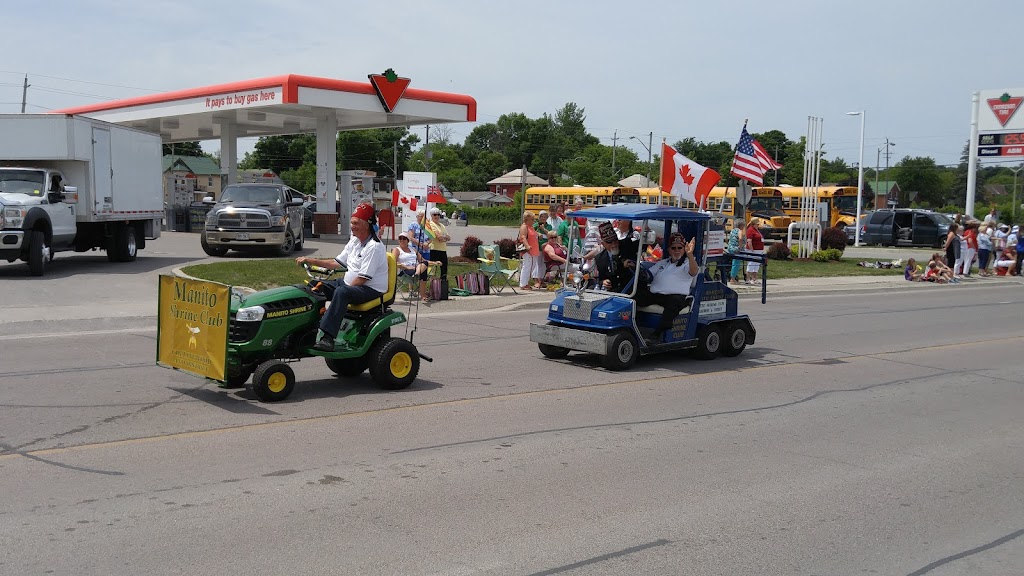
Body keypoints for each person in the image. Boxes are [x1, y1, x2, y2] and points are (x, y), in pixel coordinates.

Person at [296, 203, 388, 352]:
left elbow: (363, 279)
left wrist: (342, 290)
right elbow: (335, 263)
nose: (352, 226)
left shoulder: (374, 247)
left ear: (367, 225)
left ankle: (327, 338)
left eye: (356, 223)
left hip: (370, 289)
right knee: (314, 286)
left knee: (341, 292)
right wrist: (310, 260)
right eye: (352, 222)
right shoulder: (355, 241)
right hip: (350, 284)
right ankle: (310, 330)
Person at [636, 232, 699, 341]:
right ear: (669, 250)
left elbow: (694, 272)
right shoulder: (663, 263)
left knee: (673, 303)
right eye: (673, 248)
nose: (677, 250)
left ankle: (657, 334)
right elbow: (648, 274)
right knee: (636, 296)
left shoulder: (687, 263)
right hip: (657, 295)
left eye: (680, 247)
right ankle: (632, 326)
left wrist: (690, 255)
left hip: (676, 297)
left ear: (684, 249)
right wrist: (635, 268)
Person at [593, 221, 640, 293]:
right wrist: (604, 282)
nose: (614, 244)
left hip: (632, 291)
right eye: (609, 242)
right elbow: (600, 279)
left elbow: (641, 245)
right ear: (603, 244)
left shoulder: (627, 245)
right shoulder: (600, 258)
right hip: (613, 293)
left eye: (615, 241)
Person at [393, 232, 438, 298]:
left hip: (416, 268)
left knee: (424, 264)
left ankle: (416, 275)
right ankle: (423, 295)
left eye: (404, 238)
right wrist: (407, 267)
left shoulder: (413, 249)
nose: (402, 240)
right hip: (405, 271)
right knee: (423, 270)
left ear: (407, 240)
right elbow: (394, 262)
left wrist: (434, 262)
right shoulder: (396, 250)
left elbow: (423, 260)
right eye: (400, 238)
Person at [518, 211, 543, 290]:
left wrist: (538, 234)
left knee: (531, 267)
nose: (533, 221)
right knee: (527, 267)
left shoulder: (530, 227)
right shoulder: (524, 226)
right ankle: (523, 284)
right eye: (531, 219)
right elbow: (523, 237)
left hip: (534, 250)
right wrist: (527, 246)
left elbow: (533, 233)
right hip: (528, 251)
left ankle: (526, 283)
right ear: (526, 220)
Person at [425, 207, 451, 279]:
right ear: (431, 215)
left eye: (438, 214)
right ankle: (432, 285)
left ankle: (442, 285)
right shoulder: (431, 224)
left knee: (444, 269)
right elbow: (438, 237)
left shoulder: (442, 225)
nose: (437, 216)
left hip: (443, 250)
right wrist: (443, 237)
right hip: (434, 249)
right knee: (433, 269)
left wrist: (443, 238)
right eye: (434, 215)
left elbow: (448, 237)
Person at [745, 218, 764, 284]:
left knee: (756, 265)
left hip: (758, 250)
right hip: (753, 250)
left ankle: (754, 278)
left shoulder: (757, 230)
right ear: (753, 224)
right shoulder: (750, 230)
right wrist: (751, 249)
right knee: (751, 264)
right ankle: (747, 279)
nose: (758, 225)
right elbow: (749, 241)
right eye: (757, 224)